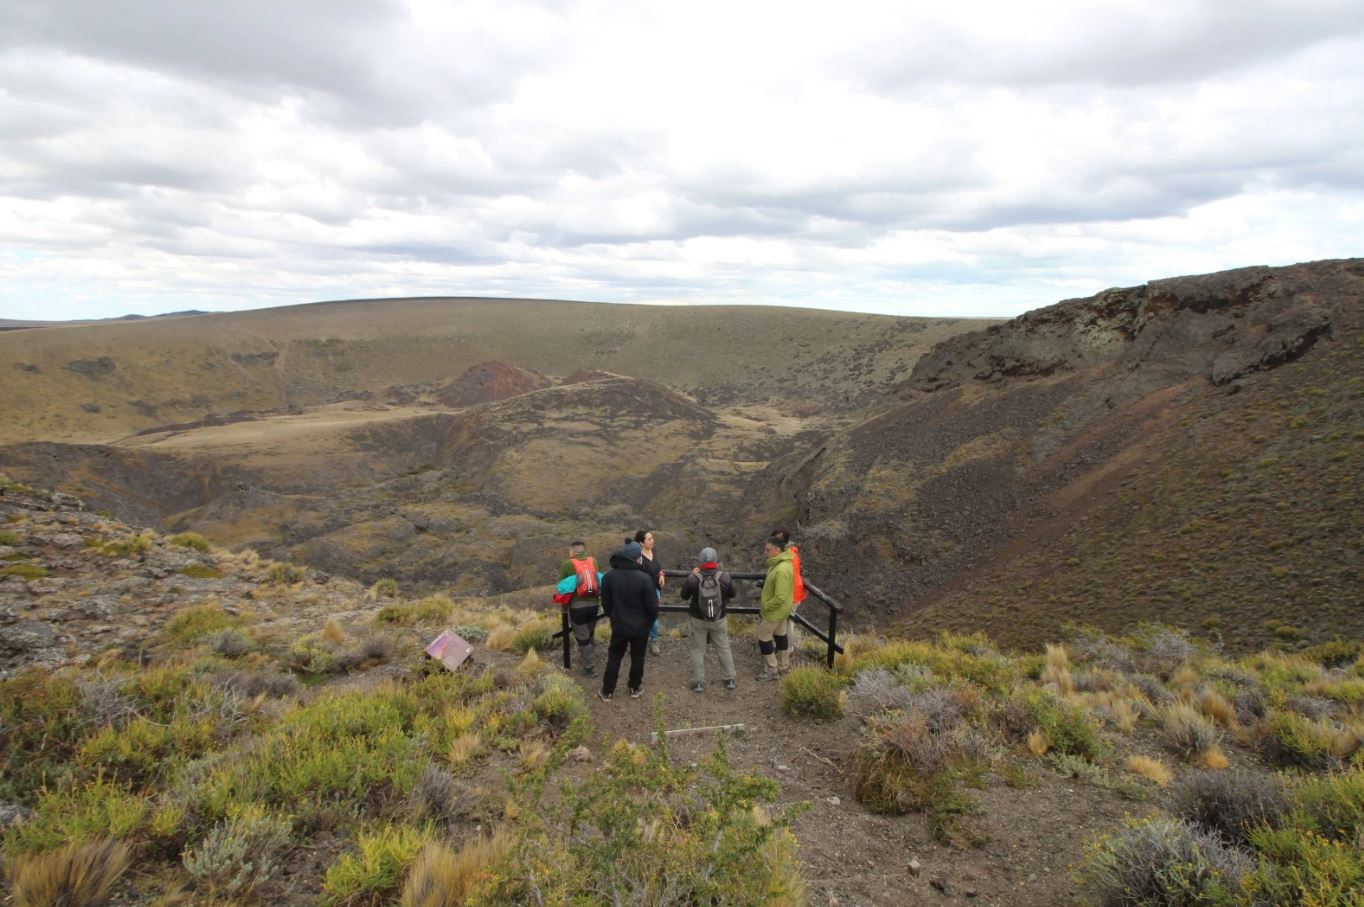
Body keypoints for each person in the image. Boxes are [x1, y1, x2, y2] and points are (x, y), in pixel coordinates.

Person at [599, 541, 659, 701]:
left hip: (619, 625)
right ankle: (634, 687)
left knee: (614, 657)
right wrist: (648, 622)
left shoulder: (609, 577)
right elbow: (653, 607)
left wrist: (613, 617)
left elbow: (606, 603)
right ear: (636, 558)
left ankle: (607, 691)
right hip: (640, 627)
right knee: (638, 656)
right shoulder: (645, 579)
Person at [678, 546, 737, 693]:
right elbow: (733, 593)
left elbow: (684, 595)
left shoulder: (693, 578)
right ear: (715, 560)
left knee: (698, 650)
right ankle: (729, 679)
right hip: (718, 619)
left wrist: (692, 575)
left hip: (698, 620)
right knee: (723, 648)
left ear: (701, 561)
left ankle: (698, 683)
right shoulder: (725, 577)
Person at [756, 534, 795, 682]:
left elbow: (780, 596)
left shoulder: (781, 569)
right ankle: (784, 667)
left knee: (763, 637)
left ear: (777, 550)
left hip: (774, 612)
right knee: (780, 636)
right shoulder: (781, 564)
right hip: (782, 611)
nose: (765, 553)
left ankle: (772, 670)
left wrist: (766, 606)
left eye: (768, 550)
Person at [559, 540, 600, 677]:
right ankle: (587, 657)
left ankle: (589, 668)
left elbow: (563, 589)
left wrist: (564, 608)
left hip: (577, 607)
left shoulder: (567, 564)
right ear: (584, 550)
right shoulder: (593, 561)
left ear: (573, 551)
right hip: (594, 605)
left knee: (583, 638)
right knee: (590, 633)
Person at [771, 528, 806, 659]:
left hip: (791, 594)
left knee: (787, 621)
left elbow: (784, 576)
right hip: (790, 592)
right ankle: (784, 647)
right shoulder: (788, 553)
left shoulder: (789, 556)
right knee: (784, 621)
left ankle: (788, 649)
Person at [633, 529, 665, 655]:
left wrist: (661, 574)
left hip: (655, 591)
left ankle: (654, 640)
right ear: (641, 542)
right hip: (641, 592)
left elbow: (658, 567)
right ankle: (638, 642)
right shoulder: (638, 557)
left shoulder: (653, 551)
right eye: (649, 539)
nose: (652, 541)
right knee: (640, 616)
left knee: (654, 617)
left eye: (652, 538)